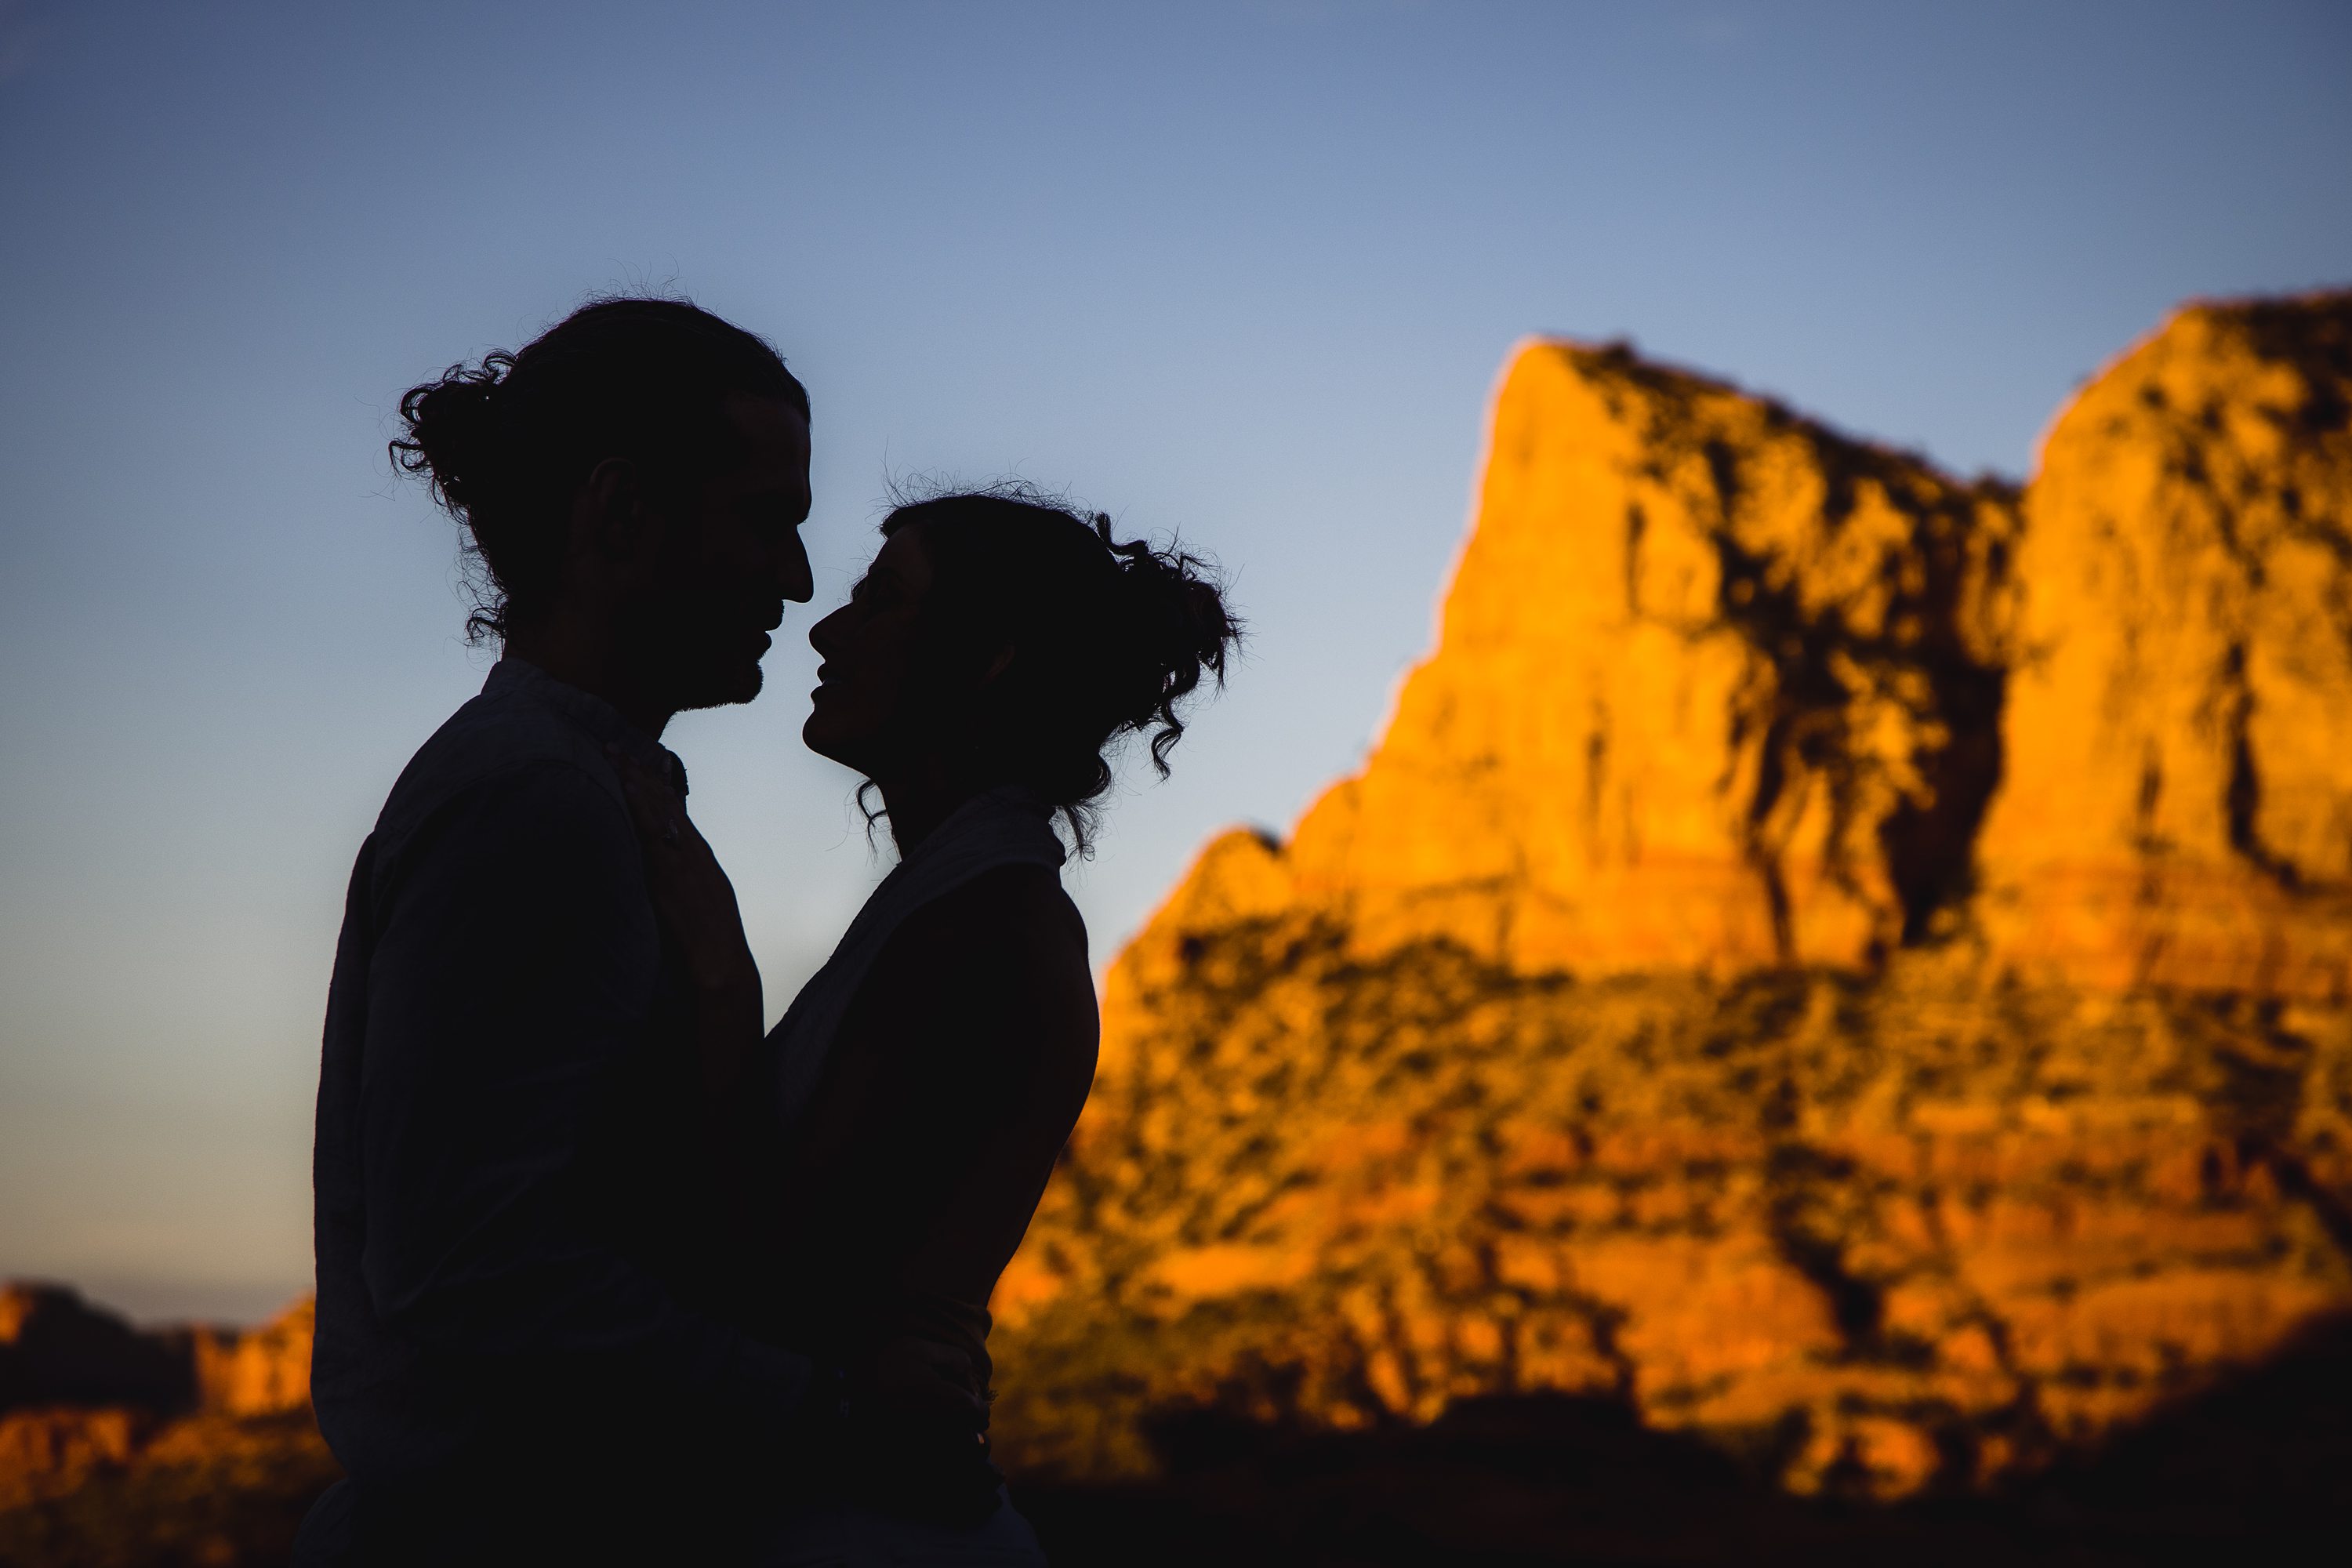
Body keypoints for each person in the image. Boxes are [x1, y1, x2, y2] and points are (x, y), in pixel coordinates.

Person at [299, 298, 971, 1566]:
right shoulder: (532, 797)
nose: (798, 580)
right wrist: (824, 1408)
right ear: (620, 514)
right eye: (770, 521)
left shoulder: (594, 788)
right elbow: (474, 1268)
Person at [612, 488, 1240, 1564]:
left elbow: (762, 1259)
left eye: (882, 598)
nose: (826, 627)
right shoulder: (964, 902)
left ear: (990, 657)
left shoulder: (986, 926)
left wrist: (716, 994)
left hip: (870, 1527)